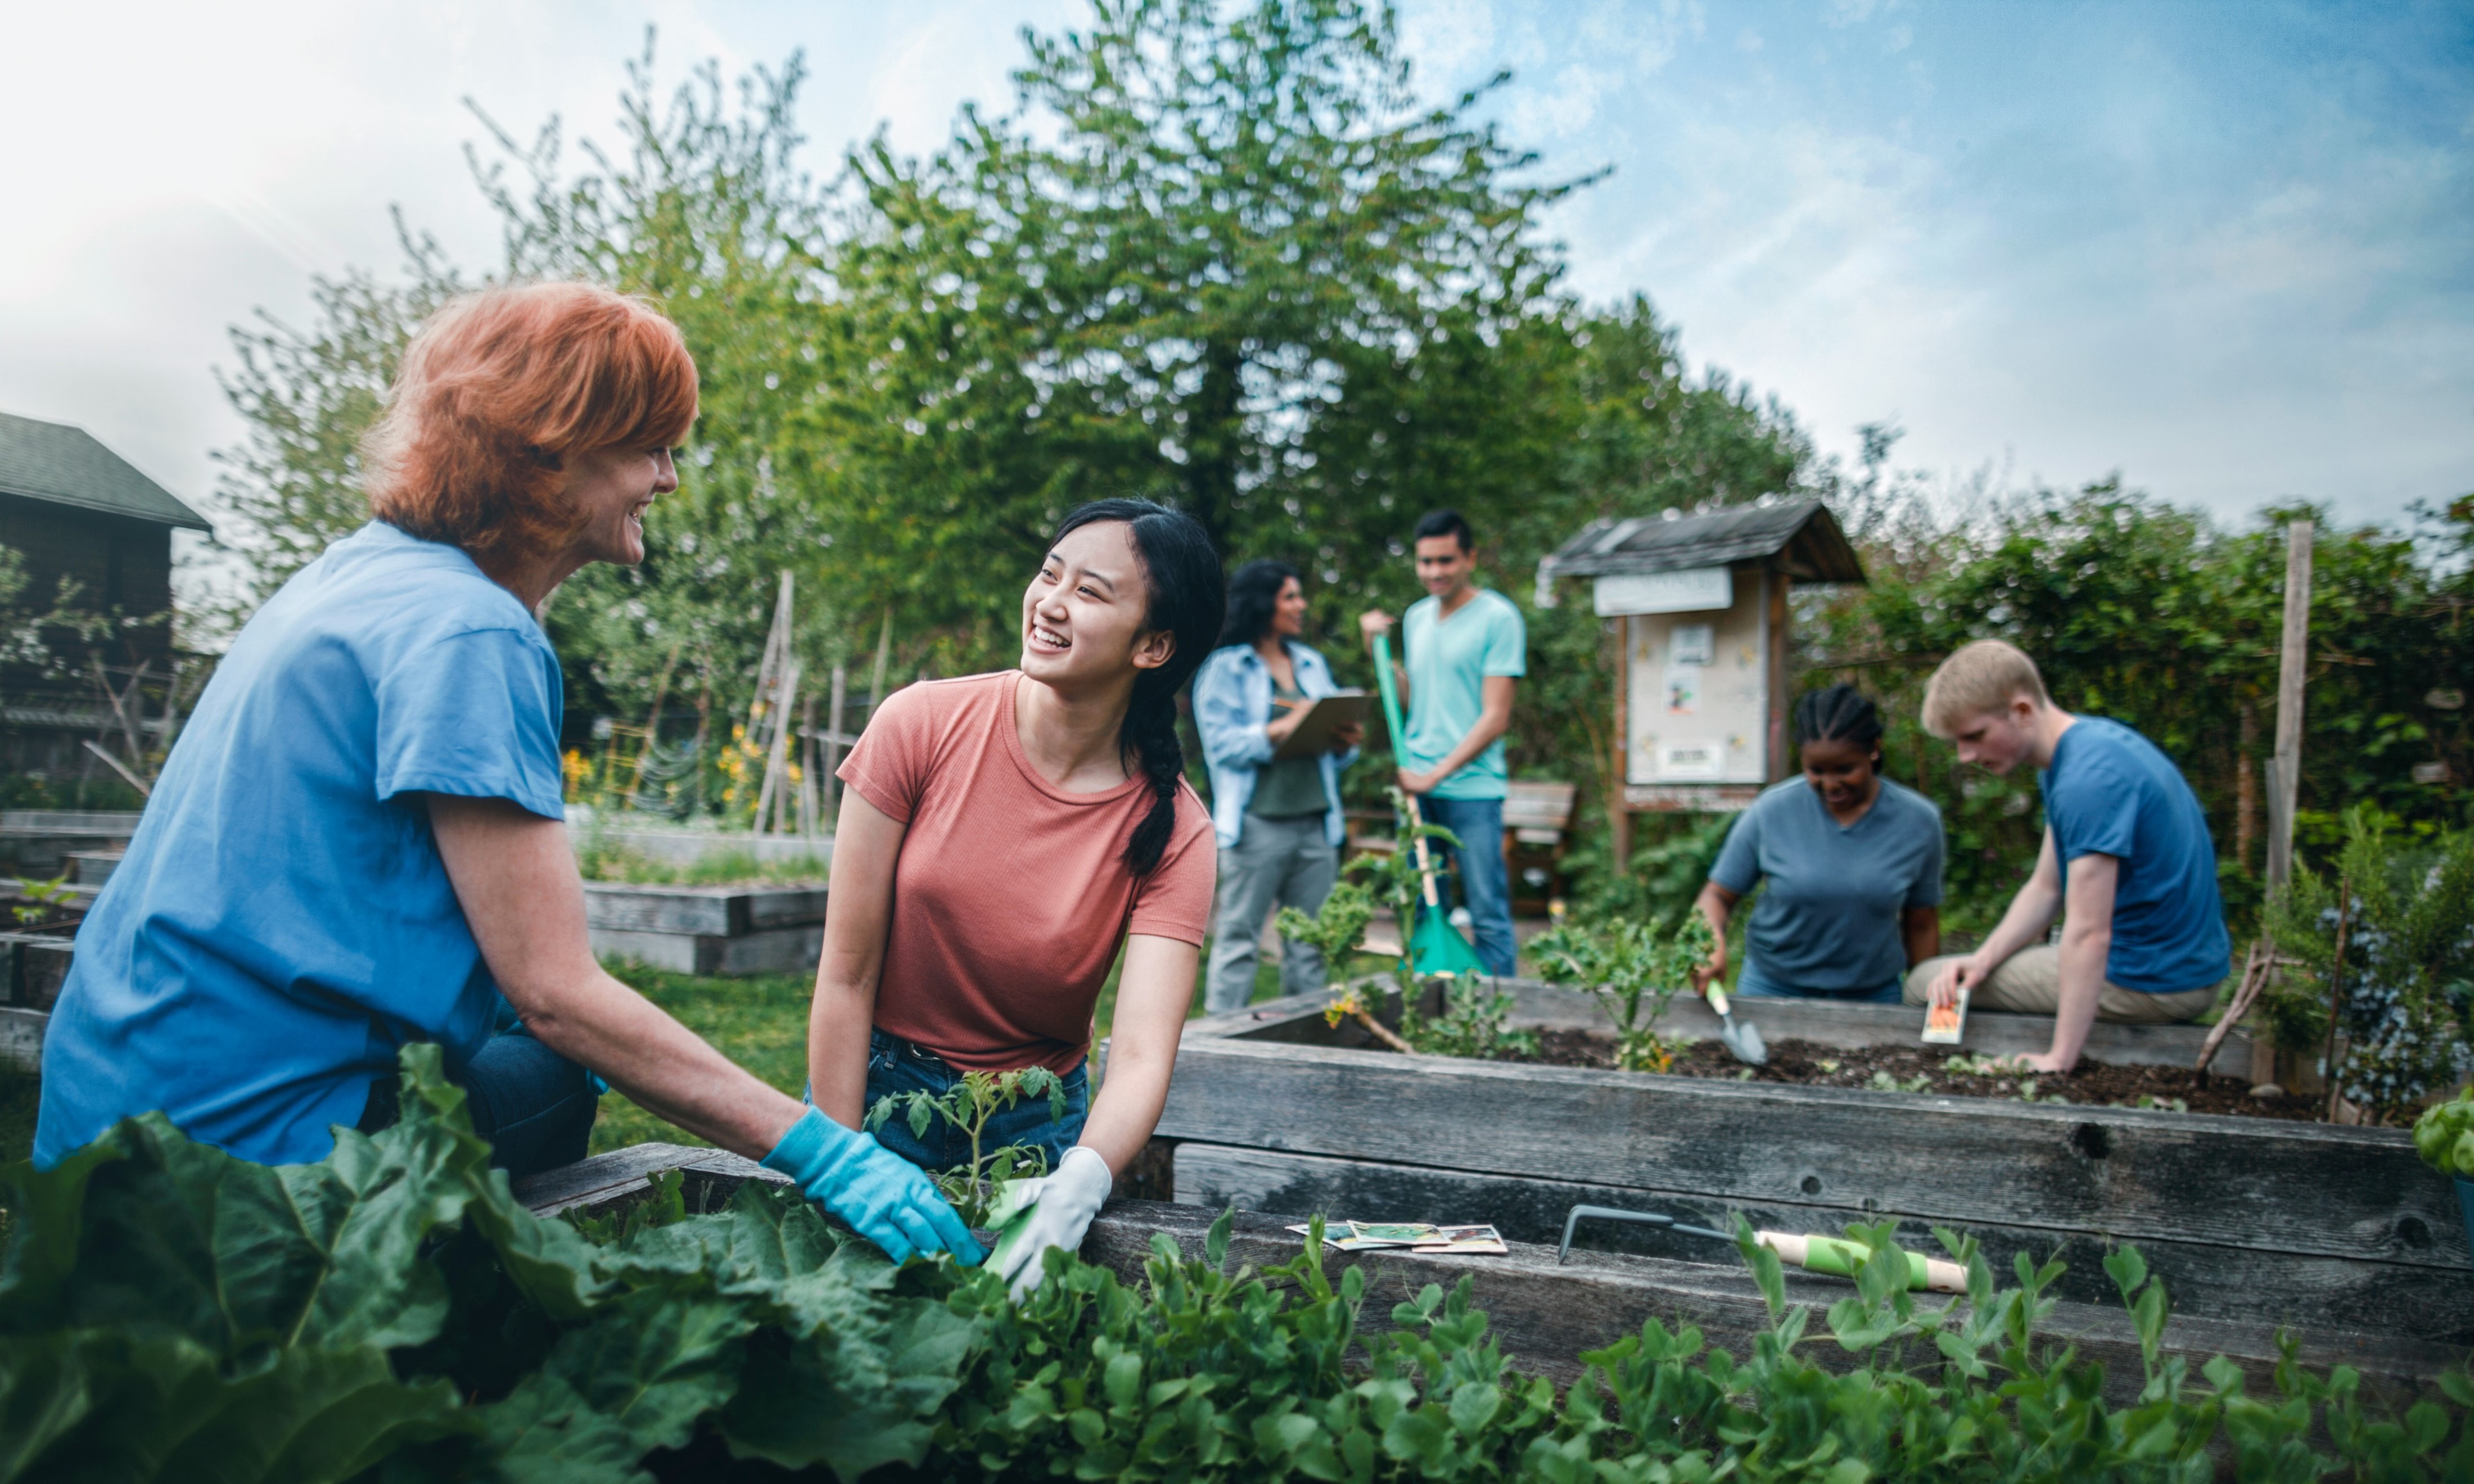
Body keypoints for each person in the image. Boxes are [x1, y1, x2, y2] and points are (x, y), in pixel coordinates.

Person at [33, 284, 978, 1268]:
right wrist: (826, 1153)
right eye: (649, 447)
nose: (668, 479)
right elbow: (557, 993)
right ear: (552, 446)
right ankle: (427, 1328)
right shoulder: (471, 632)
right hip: (242, 1161)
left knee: (518, 1059)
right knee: (562, 1073)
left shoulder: (356, 576)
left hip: (107, 1117)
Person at [807, 498, 1223, 1295]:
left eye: (1091, 593)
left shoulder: (1177, 833)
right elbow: (846, 971)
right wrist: (838, 1152)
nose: (1051, 602)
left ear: (1155, 645)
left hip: (1031, 1131)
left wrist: (1083, 1182)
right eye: (1049, 574)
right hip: (872, 1090)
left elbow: (1138, 1054)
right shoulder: (920, 724)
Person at [1907, 639, 2231, 1072]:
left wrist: (2059, 1059)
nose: (1966, 756)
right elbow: (2046, 887)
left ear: (2022, 711)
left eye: (1975, 736)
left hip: (2154, 979)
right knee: (1958, 973)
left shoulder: (2086, 781)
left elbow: (2088, 933)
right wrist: (1981, 959)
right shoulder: (2083, 752)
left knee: (1924, 982)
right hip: (2180, 967)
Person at [1691, 686, 1944, 1002]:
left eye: (1844, 770)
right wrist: (1709, 942)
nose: (1830, 784)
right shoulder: (1772, 811)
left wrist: (1932, 1002)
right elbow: (1716, 895)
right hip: (1773, 989)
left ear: (1874, 750)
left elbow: (1921, 923)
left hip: (1873, 996)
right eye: (1816, 771)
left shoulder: (1917, 821)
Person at [1357, 510, 1526, 978]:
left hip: (1472, 789)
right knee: (1422, 905)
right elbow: (1414, 700)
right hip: (1418, 787)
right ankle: (1432, 1010)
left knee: (1487, 909)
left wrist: (1436, 773)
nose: (1435, 572)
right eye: (1426, 562)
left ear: (1470, 558)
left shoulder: (1498, 618)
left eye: (1446, 561)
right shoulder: (1416, 617)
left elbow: (1496, 717)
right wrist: (1379, 652)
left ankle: (1499, 1019)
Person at [1192, 560, 1362, 1013]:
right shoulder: (1223, 668)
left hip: (1317, 825)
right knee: (1240, 938)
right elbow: (1222, 746)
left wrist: (1345, 740)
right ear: (1264, 604)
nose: (1301, 605)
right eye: (1291, 596)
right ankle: (1222, 1042)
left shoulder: (1311, 662)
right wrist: (1283, 727)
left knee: (1311, 944)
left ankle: (1305, 1042)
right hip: (1256, 827)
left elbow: (1332, 746)